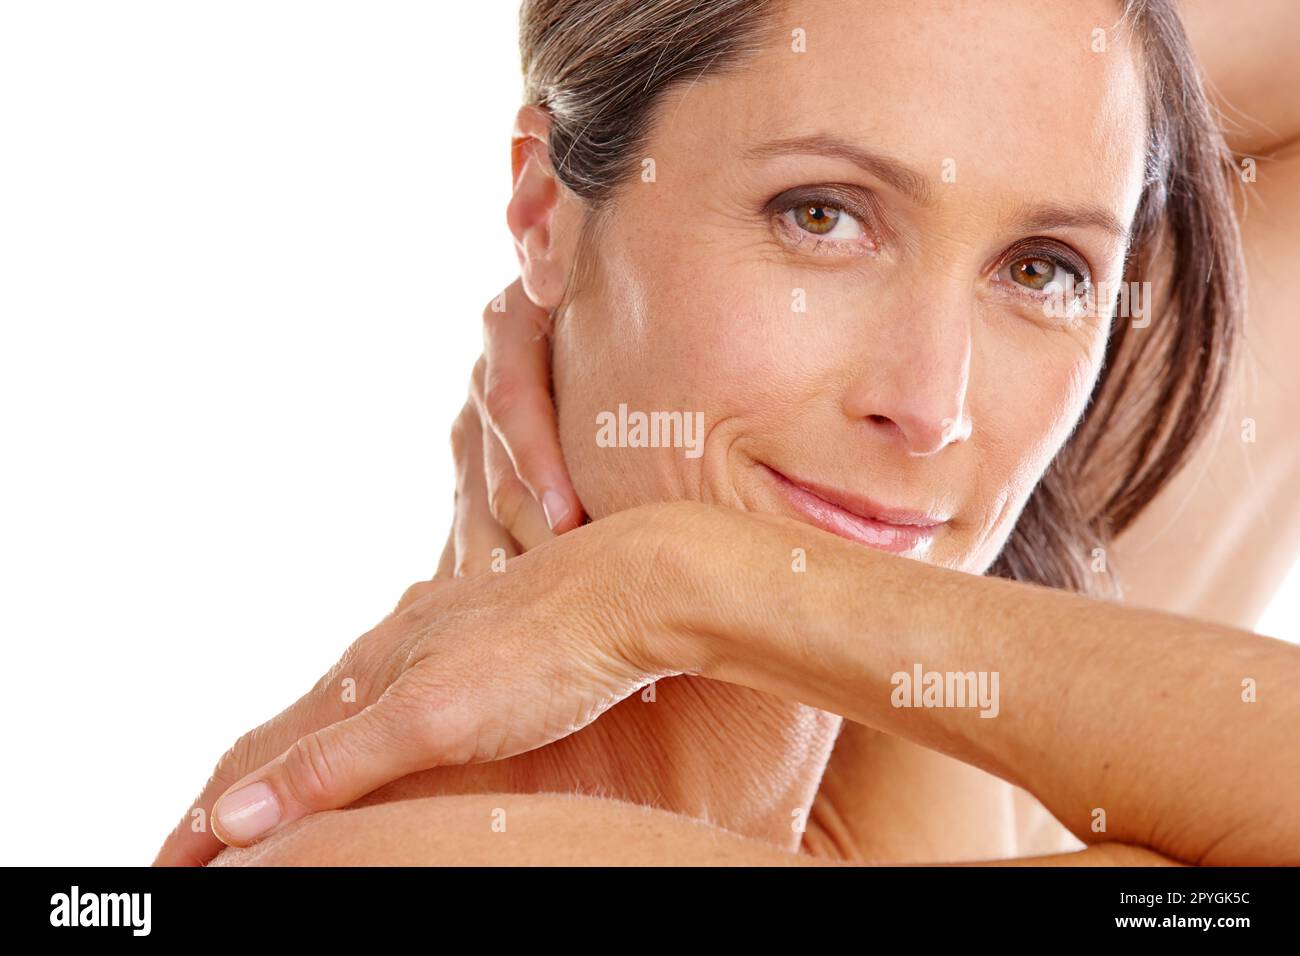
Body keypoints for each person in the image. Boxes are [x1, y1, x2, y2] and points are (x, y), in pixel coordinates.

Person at [154, 0, 1300, 867]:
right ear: (540, 209)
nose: (932, 403)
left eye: (1042, 267)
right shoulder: (402, 856)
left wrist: (674, 584)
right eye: (820, 215)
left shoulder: (948, 722)